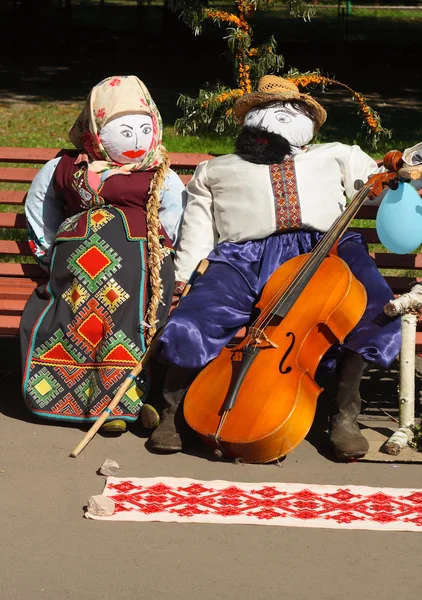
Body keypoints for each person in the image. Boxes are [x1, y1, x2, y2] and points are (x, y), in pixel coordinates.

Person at [151, 75, 402, 459]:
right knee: (195, 316)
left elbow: (373, 187)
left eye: (292, 110)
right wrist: (185, 276)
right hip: (243, 258)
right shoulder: (216, 169)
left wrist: (397, 175)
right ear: (250, 119)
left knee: (376, 306)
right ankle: (173, 412)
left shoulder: (336, 153)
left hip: (329, 249)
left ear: (310, 124)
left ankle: (344, 413)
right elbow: (198, 228)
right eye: (268, 110)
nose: (281, 117)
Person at [21, 75, 185, 433]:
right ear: (96, 130)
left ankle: (128, 402)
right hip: (75, 273)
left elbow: (172, 215)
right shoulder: (65, 167)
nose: (137, 141)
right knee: (68, 316)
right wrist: (49, 252)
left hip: (143, 270)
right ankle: (88, 401)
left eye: (144, 130)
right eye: (124, 132)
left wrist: (161, 252)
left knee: (134, 317)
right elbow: (40, 207)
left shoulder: (161, 173)